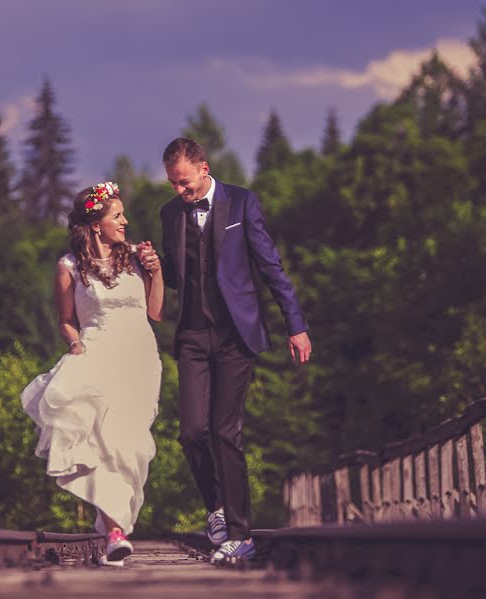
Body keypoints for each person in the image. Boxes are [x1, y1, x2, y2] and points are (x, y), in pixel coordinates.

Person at [154, 138, 311, 562]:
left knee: (226, 431)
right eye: (172, 184)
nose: (179, 192)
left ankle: (241, 536)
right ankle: (216, 509)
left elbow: (269, 266)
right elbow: (174, 275)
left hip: (235, 337)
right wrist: (152, 264)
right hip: (191, 334)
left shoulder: (242, 204)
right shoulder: (170, 214)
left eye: (184, 183)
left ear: (204, 168)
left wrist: (295, 325)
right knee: (190, 431)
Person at [21, 182, 164, 566]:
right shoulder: (68, 267)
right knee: (103, 440)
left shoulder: (136, 256)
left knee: (131, 444)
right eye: (117, 216)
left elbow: (155, 312)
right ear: (96, 224)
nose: (125, 221)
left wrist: (156, 271)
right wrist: (74, 344)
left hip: (139, 356)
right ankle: (116, 531)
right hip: (97, 352)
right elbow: (66, 320)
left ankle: (113, 523)